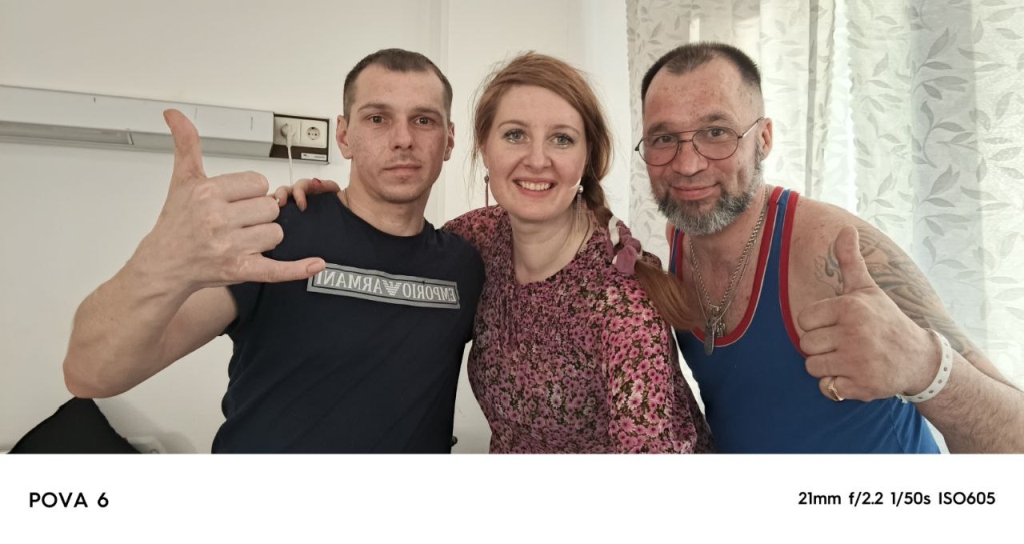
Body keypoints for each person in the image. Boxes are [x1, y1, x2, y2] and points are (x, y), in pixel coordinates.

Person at [280, 53, 713, 453]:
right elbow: (390, 262)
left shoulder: (621, 305)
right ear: (484, 148)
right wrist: (329, 212)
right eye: (515, 135)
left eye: (562, 139)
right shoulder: (477, 240)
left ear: (587, 158)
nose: (537, 159)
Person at [62, 49, 484, 453]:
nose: (403, 139)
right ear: (344, 136)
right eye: (377, 118)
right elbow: (90, 373)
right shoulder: (276, 233)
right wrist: (159, 260)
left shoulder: (464, 266)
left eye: (424, 120)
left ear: (448, 141)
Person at [638, 42, 1024, 452]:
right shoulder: (679, 236)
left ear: (763, 139)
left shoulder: (837, 250)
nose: (687, 165)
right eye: (664, 138)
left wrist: (925, 366)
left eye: (716, 133)